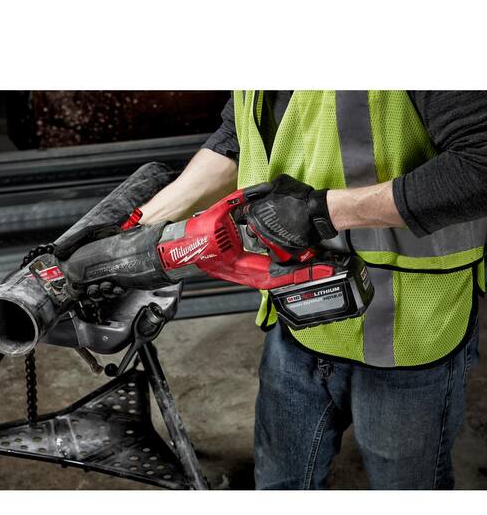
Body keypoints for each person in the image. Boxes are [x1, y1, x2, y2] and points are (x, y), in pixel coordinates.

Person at [137, 91, 487, 489]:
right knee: (280, 483)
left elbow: (479, 165)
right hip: (300, 319)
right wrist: (139, 229)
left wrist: (322, 211)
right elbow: (238, 139)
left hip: (410, 331)